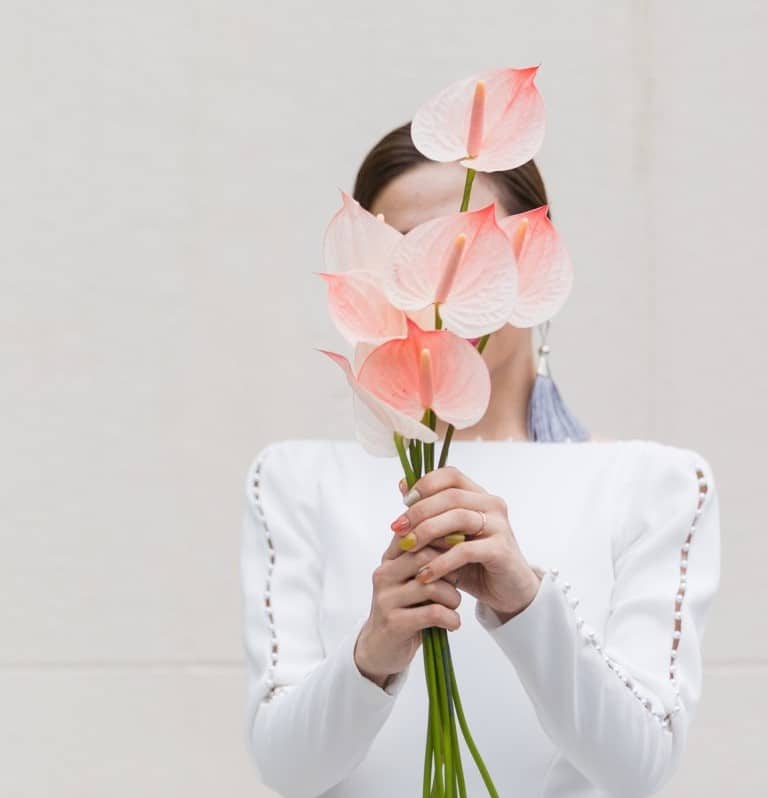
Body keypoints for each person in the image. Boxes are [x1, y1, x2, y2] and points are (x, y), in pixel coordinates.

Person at [239, 123, 722, 797]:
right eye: (402, 257)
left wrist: (525, 604)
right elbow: (289, 773)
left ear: (533, 262)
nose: (434, 283)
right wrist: (372, 651)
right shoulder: (296, 481)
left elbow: (635, 770)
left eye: (465, 248)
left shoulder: (652, 485)